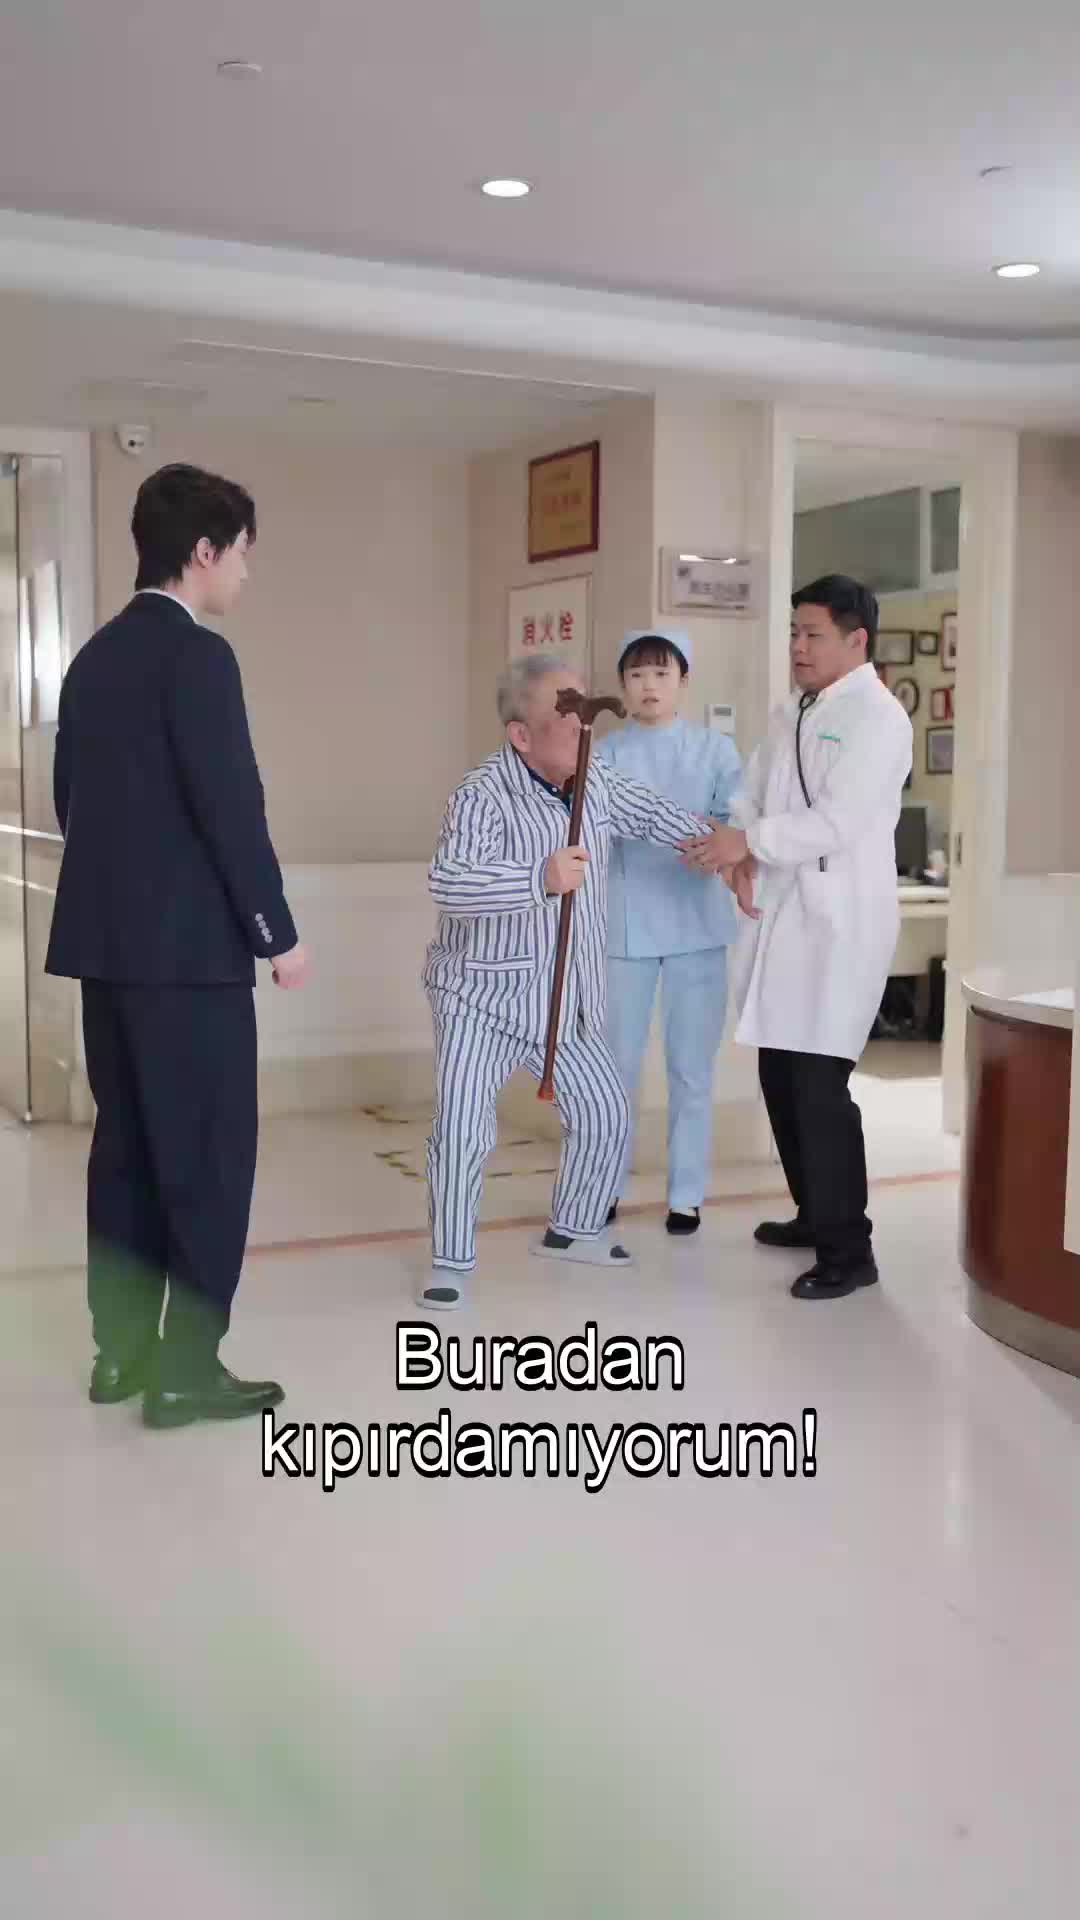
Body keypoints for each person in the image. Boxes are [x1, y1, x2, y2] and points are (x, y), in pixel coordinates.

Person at [46, 463, 308, 1426]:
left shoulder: (92, 659)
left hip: (106, 951)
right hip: (190, 960)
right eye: (240, 553)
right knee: (203, 1159)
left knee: (125, 1153)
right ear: (203, 551)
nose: (244, 573)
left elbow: (70, 801)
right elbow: (230, 808)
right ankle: (188, 1367)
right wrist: (277, 933)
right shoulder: (200, 658)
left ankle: (119, 1353)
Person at [418, 654, 731, 1311]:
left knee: (604, 1110)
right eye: (566, 714)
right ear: (521, 735)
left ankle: (573, 1229)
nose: (583, 724)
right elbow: (450, 883)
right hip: (478, 997)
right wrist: (539, 877)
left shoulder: (598, 781)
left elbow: (658, 816)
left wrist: (732, 849)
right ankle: (450, 1259)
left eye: (586, 707)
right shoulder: (481, 794)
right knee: (463, 1127)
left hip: (562, 998)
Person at [682, 575, 912, 1300]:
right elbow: (751, 792)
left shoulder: (879, 719)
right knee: (779, 1075)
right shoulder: (794, 710)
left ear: (856, 640)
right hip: (786, 914)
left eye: (812, 634)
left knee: (818, 1086)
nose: (798, 647)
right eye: (793, 633)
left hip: (839, 923)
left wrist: (747, 842)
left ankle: (850, 1250)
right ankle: (814, 1214)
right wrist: (741, 847)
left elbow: (839, 820)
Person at [596, 629, 741, 1235]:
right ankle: (601, 1187)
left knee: (690, 1069)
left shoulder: (716, 750)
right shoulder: (602, 753)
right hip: (624, 929)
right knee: (615, 1068)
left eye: (661, 674)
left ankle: (686, 1195)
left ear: (683, 682)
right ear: (623, 686)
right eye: (636, 675)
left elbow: (732, 829)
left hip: (697, 927)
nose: (648, 686)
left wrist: (713, 840)